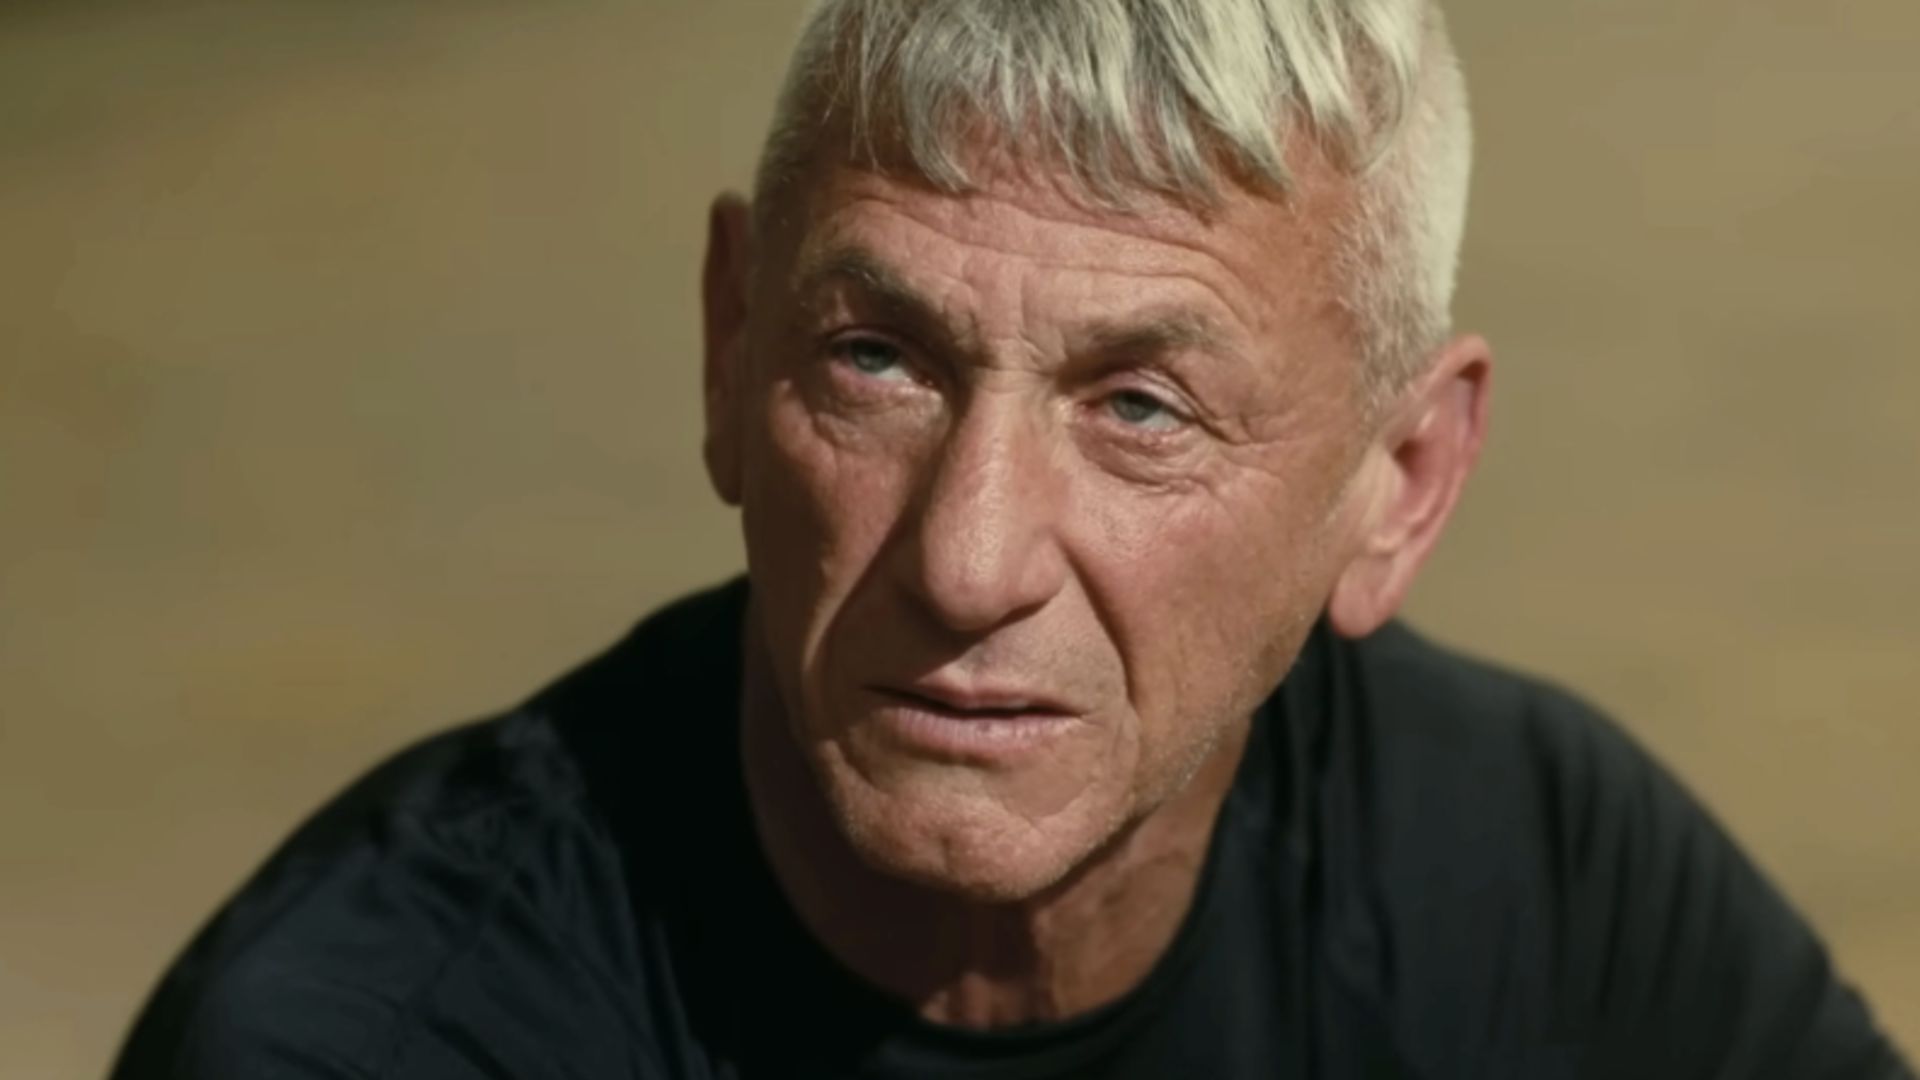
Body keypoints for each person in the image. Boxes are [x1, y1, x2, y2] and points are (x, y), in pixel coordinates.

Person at [111, 1, 1911, 1076]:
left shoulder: (1533, 885)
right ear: (731, 347)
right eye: (878, 360)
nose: (968, 563)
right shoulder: (380, 1035)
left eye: (1142, 408)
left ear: (1405, 480)